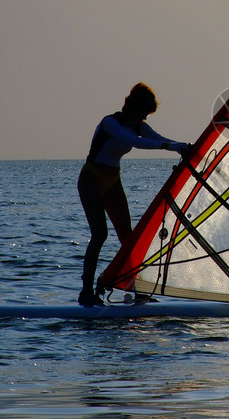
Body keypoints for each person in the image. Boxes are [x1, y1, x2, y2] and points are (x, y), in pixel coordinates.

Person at [77, 82, 189, 306]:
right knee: (99, 235)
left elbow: (157, 138)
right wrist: (169, 146)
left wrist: (183, 146)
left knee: (128, 238)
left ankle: (137, 289)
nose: (144, 119)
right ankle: (86, 292)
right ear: (134, 108)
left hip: (112, 179)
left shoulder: (139, 126)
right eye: (144, 114)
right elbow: (133, 143)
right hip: (91, 178)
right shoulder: (111, 122)